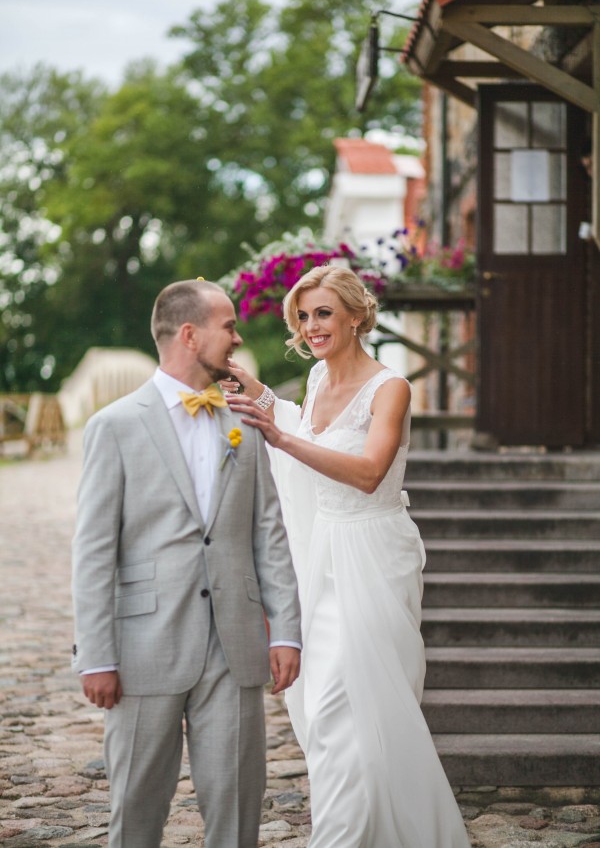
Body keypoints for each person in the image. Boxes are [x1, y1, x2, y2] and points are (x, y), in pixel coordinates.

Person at [226, 265, 471, 848]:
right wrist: (260, 398)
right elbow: (301, 425)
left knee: (353, 704)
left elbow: (366, 473)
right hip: (321, 553)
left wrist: (282, 440)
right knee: (322, 701)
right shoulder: (313, 380)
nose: (312, 326)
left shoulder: (392, 387)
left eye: (324, 313)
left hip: (372, 554)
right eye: (304, 316)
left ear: (356, 316)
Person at [71, 279, 302, 848]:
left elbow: (268, 533)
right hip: (142, 645)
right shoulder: (115, 425)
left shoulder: (243, 423)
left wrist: (287, 633)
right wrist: (96, 654)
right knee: (137, 804)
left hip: (234, 643)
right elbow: (94, 549)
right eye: (228, 326)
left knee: (238, 802)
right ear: (190, 334)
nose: (238, 337)